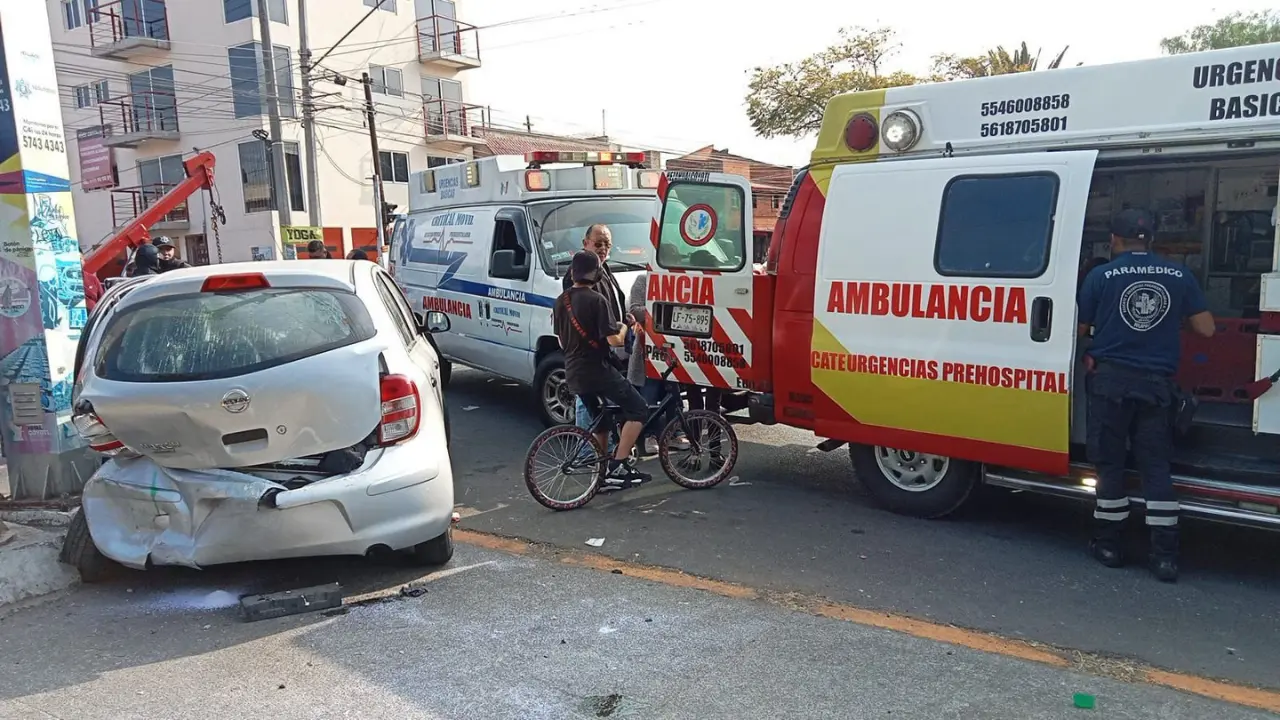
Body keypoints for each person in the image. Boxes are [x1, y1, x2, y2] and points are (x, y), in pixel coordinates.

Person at [1077, 208, 1216, 583]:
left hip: (1110, 384)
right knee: (1156, 467)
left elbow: (1081, 329)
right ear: (1151, 240)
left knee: (1110, 465)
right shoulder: (1178, 275)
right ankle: (1164, 556)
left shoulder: (1100, 276)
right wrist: (1172, 321)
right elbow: (1207, 328)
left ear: (1114, 241)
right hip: (1156, 387)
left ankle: (1109, 544)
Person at [554, 250, 650, 488]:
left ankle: (603, 472)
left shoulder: (561, 300)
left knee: (602, 421)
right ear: (596, 273)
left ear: (572, 273)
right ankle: (618, 466)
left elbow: (561, 340)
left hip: (573, 372)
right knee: (638, 409)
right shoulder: (597, 300)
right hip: (597, 371)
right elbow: (614, 341)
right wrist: (627, 326)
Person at [563, 224, 629, 433]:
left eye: (607, 244)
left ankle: (598, 455)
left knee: (600, 410)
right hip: (589, 355)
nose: (603, 248)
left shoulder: (603, 268)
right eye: (598, 243)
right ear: (585, 244)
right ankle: (587, 455)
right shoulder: (576, 276)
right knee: (589, 408)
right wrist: (619, 328)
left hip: (604, 352)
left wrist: (622, 318)